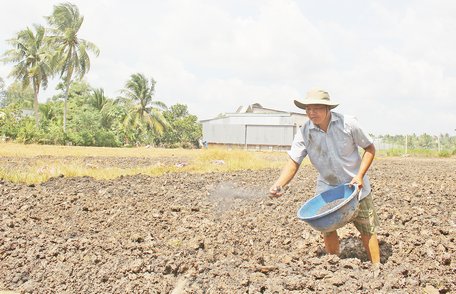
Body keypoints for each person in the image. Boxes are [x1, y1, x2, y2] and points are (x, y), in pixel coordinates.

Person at [269, 89, 380, 267]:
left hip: (355, 185)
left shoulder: (348, 124)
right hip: (328, 187)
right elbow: (293, 161)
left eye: (317, 108)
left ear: (328, 108)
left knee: (367, 227)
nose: (311, 113)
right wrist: (279, 184)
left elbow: (370, 148)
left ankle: (376, 267)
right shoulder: (305, 132)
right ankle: (333, 264)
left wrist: (359, 176)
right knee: (326, 228)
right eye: (308, 109)